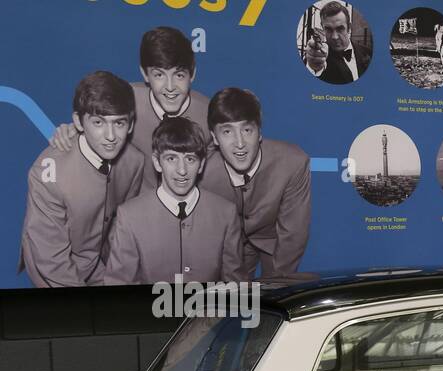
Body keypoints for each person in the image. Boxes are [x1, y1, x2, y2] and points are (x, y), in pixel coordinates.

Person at [20, 71, 145, 287]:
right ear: (78, 122)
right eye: (98, 123)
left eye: (119, 123)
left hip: (94, 261)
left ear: (131, 125)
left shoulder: (134, 161)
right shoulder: (47, 173)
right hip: (52, 269)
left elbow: (119, 226)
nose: (111, 136)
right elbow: (51, 262)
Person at [48, 26, 211, 192]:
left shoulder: (209, 116)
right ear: (145, 74)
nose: (170, 87)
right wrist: (72, 130)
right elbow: (94, 119)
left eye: (179, 75)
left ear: (193, 74)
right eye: (159, 75)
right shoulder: (124, 99)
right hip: (128, 207)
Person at [102, 117, 242, 285]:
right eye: (171, 159)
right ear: (157, 162)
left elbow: (238, 289)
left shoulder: (225, 213)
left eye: (190, 159)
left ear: (201, 165)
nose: (181, 170)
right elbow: (118, 289)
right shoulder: (130, 216)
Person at [201, 88, 312, 280]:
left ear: (259, 132)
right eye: (227, 131)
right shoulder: (200, 172)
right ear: (214, 137)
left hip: (272, 239)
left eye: (247, 130)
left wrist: (276, 288)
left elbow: (293, 235)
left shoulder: (293, 163)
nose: (240, 143)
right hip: (225, 243)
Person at [304, 1, 372, 85]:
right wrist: (314, 67)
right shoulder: (318, 55)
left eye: (340, 29)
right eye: (328, 29)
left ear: (349, 28)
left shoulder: (368, 52)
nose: (334, 37)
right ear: (322, 27)